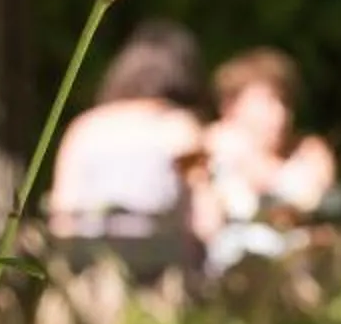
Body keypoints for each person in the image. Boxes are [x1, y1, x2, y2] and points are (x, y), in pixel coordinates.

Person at [43, 21, 216, 270]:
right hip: (157, 264)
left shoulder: (85, 126)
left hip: (87, 262)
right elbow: (203, 210)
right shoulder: (182, 128)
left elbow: (62, 213)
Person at [197, 47, 338, 272]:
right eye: (267, 102)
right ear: (230, 106)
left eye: (284, 102)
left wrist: (252, 162)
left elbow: (315, 200)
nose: (280, 114)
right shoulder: (209, 148)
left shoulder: (308, 150)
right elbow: (203, 223)